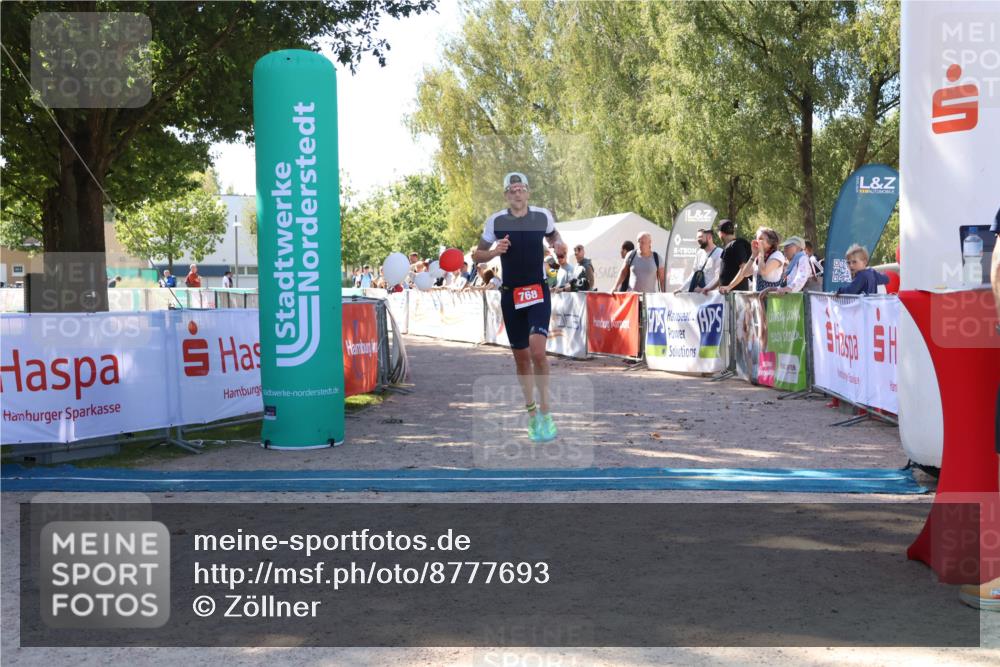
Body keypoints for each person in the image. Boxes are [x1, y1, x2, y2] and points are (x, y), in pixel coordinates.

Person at [473, 171, 565, 442]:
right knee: (522, 359)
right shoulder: (496, 221)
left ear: (528, 192)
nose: (517, 193)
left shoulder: (542, 216)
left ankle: (546, 410)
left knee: (538, 352)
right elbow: (477, 255)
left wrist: (558, 244)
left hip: (537, 291)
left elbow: (554, 236)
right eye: (512, 189)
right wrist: (494, 252)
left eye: (521, 188)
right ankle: (532, 413)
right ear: (506, 194)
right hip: (511, 295)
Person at [719, 227, 784, 294]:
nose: (757, 241)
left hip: (772, 300)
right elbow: (745, 273)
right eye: (756, 238)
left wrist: (761, 253)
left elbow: (763, 272)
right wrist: (753, 255)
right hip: (757, 300)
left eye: (761, 239)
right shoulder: (758, 258)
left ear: (770, 242)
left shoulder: (777, 255)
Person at [704, 219, 752, 292]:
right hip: (727, 294)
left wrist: (729, 286)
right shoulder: (730, 246)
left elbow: (743, 269)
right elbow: (723, 275)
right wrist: (710, 289)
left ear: (721, 233)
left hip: (736, 294)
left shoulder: (737, 245)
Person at [677, 228, 722, 293]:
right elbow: (693, 274)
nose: (698, 240)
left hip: (712, 297)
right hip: (699, 297)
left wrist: (704, 290)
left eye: (700, 237)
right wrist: (681, 289)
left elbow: (718, 278)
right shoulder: (699, 253)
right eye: (697, 238)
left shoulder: (719, 253)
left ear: (709, 237)